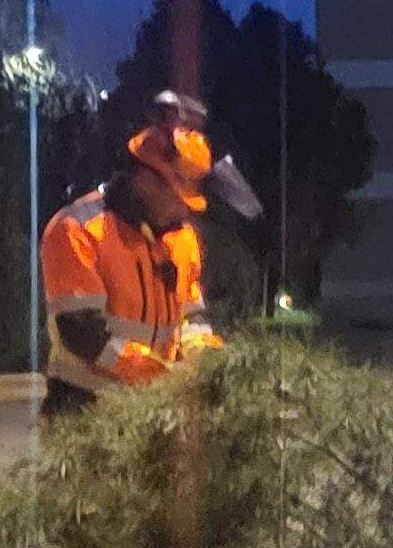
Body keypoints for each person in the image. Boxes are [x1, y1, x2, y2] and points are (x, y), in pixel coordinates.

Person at [38, 89, 261, 422]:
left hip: (153, 411)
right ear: (146, 181)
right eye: (179, 197)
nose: (185, 210)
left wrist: (208, 365)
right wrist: (163, 376)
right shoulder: (77, 229)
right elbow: (83, 333)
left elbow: (192, 317)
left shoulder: (181, 239)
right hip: (84, 412)